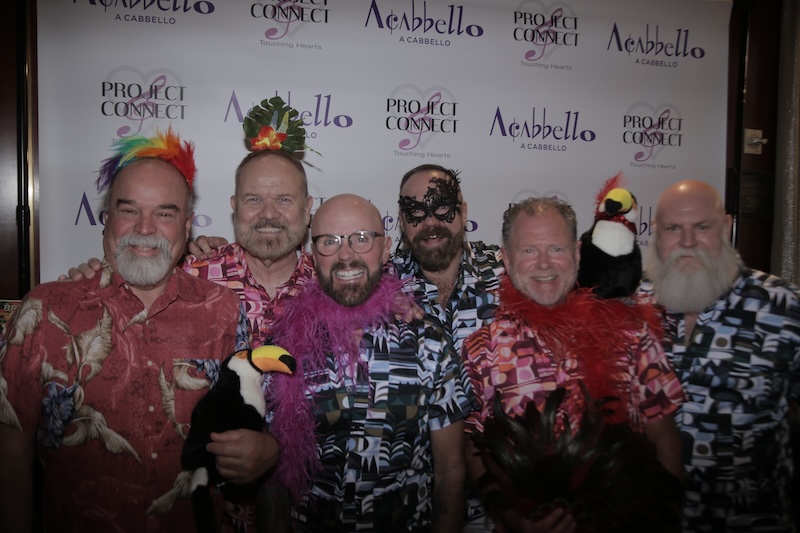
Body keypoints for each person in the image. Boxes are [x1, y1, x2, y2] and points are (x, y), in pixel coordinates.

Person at [0, 129, 245, 532]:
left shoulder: (224, 310)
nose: (144, 228)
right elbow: (10, 453)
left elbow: (248, 432)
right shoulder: (44, 311)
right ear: (107, 219)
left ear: (187, 227)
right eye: (129, 210)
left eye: (164, 214)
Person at [463, 196, 685, 532]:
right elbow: (473, 450)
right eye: (528, 250)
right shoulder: (481, 349)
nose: (544, 264)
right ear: (506, 259)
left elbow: (665, 440)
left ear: (578, 254)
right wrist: (513, 518)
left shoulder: (631, 332)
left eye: (556, 249)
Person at [264, 193, 472, 532]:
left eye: (361, 238)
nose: (346, 255)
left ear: (386, 248)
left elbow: (450, 468)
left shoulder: (428, 342)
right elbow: (270, 469)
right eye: (329, 241)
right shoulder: (283, 346)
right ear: (312, 255)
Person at [641, 179, 800, 532]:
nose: (687, 242)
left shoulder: (784, 307)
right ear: (656, 232)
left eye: (702, 227)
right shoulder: (631, 308)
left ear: (726, 227)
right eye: (673, 228)